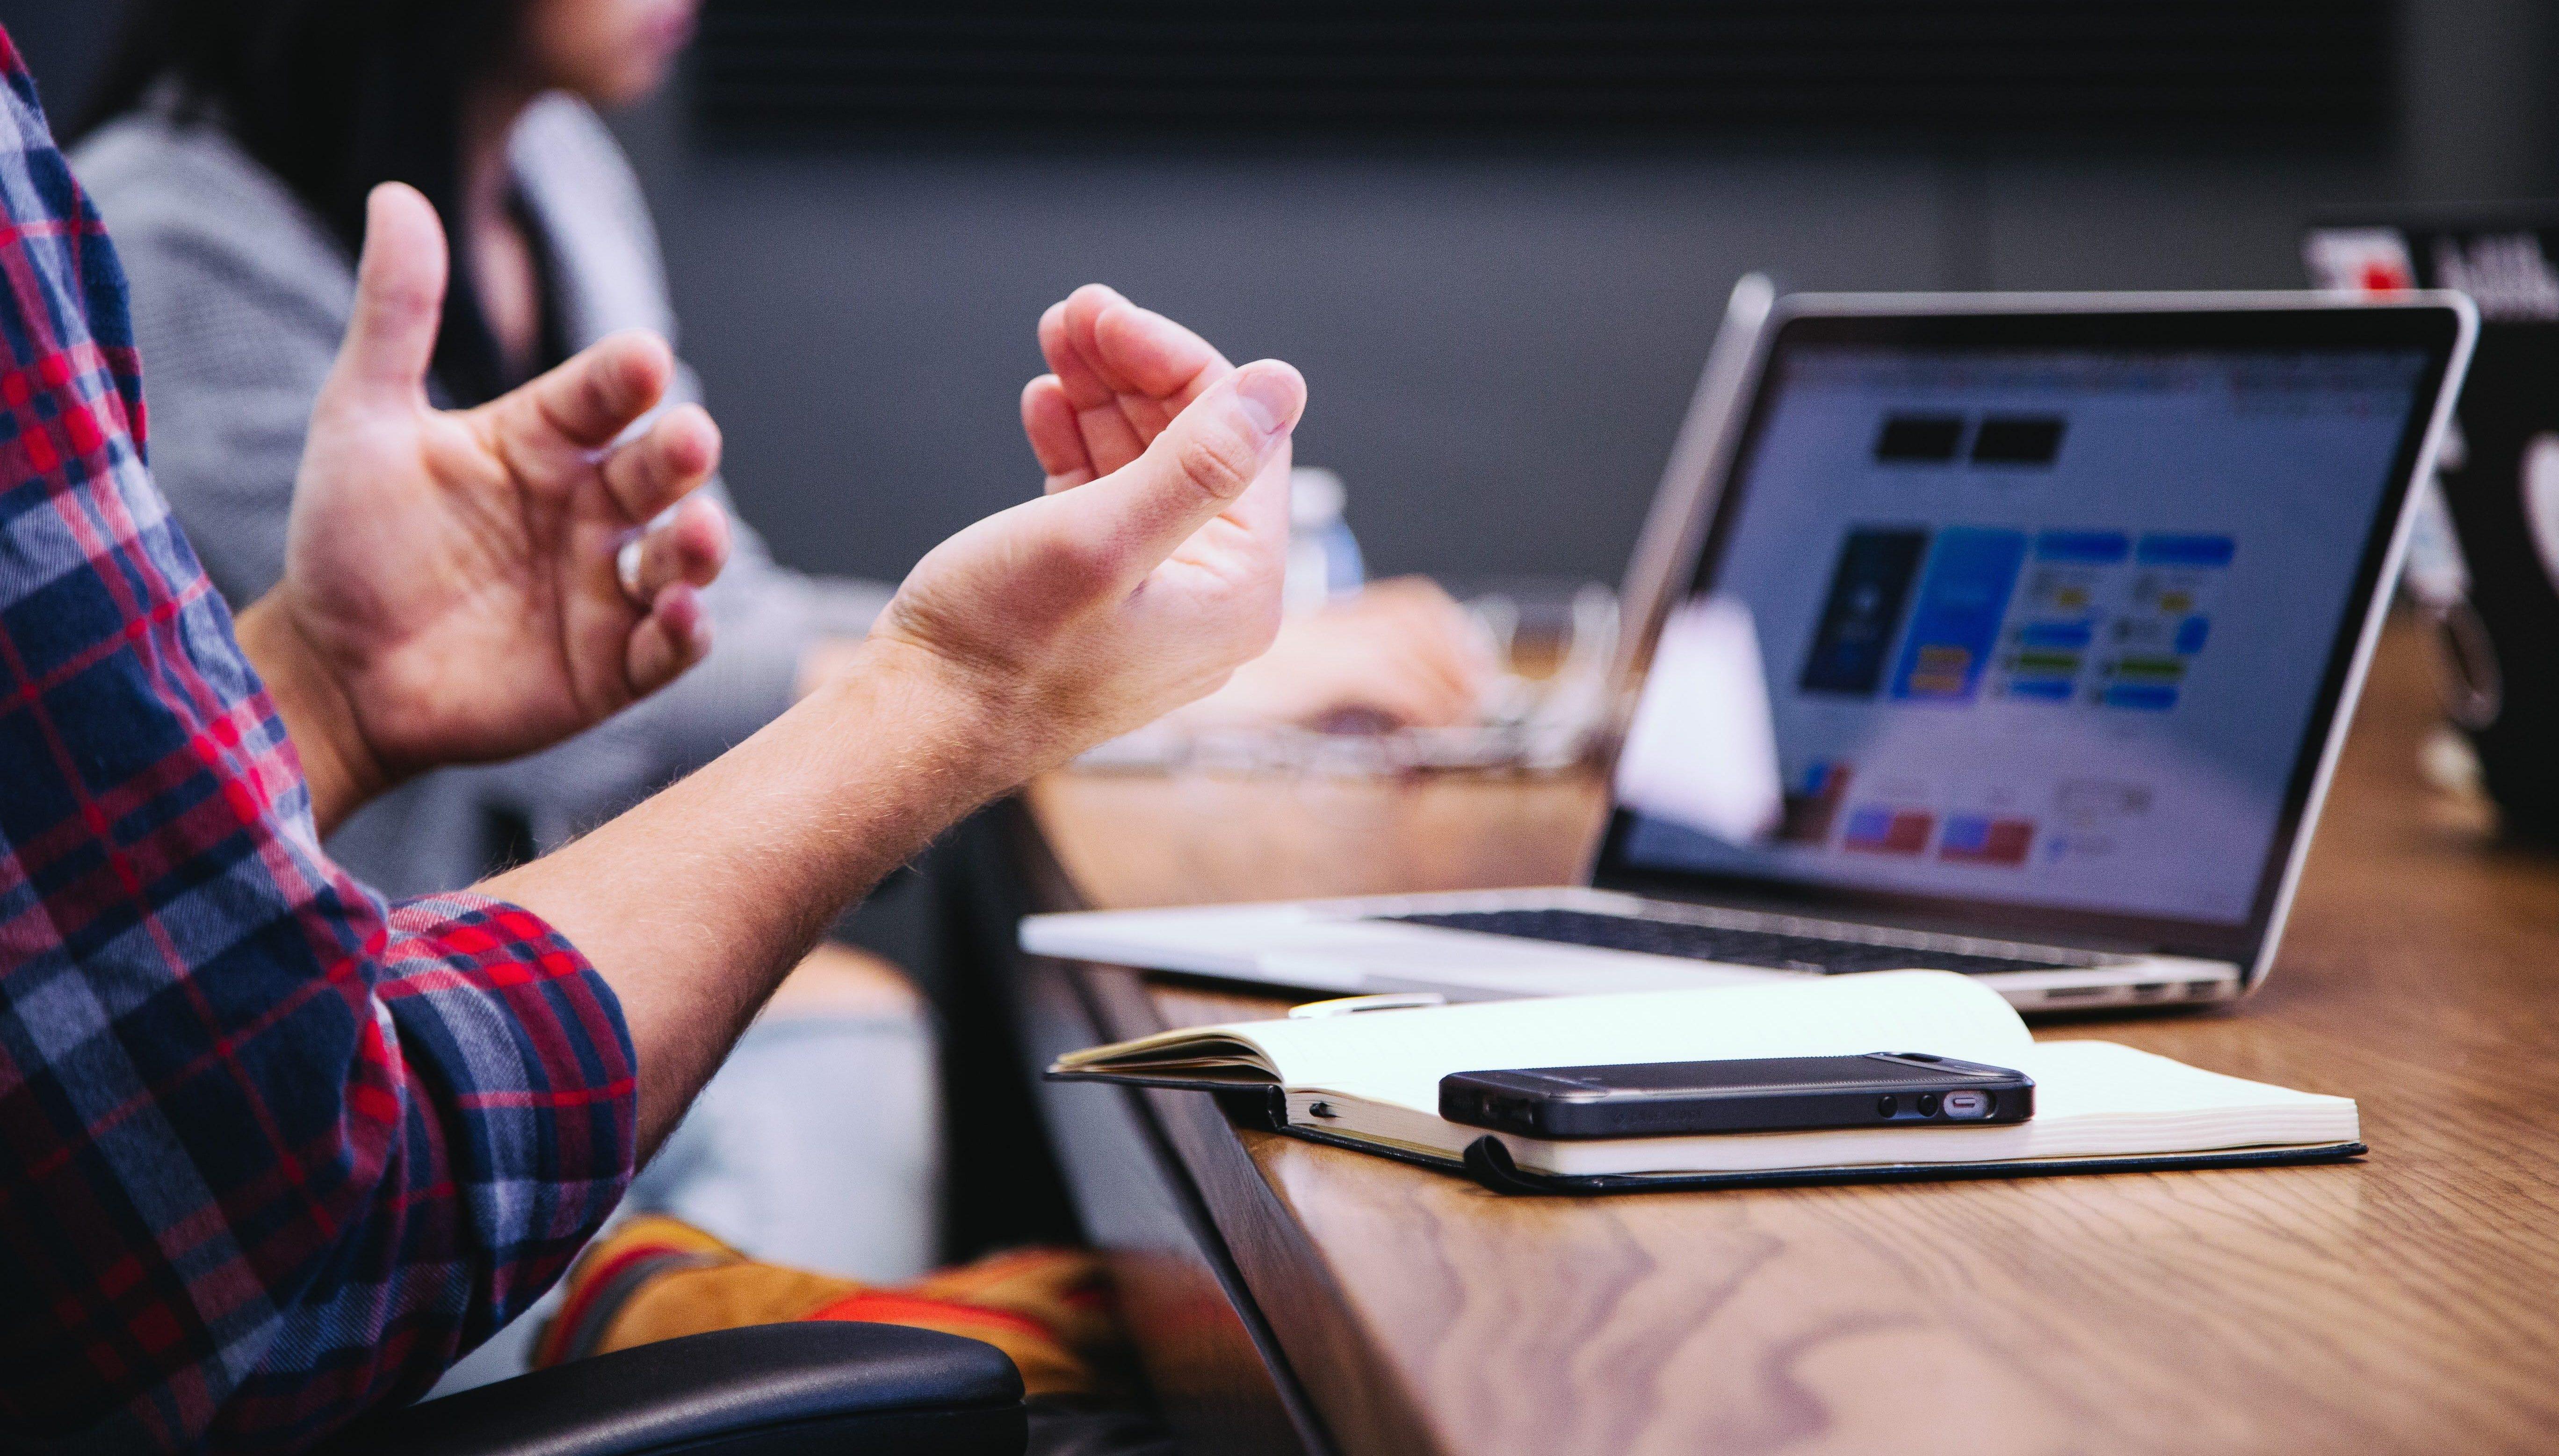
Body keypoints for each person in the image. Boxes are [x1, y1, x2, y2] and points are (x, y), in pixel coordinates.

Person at [0, 14, 1310, 1448]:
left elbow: (707, 609)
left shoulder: (560, 173)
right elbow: (279, 1202)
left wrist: (324, 686)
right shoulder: (165, 232)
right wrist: (970, 688)